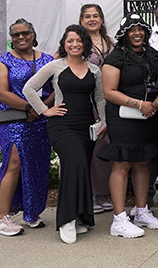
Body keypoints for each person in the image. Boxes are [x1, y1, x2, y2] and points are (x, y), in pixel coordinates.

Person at [23, 25, 105, 244]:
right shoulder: (55, 66)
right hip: (61, 126)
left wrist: (104, 122)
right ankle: (66, 220)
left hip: (86, 127)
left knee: (80, 167)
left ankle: (80, 217)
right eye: (70, 41)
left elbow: (100, 99)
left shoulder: (94, 70)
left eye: (79, 40)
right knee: (74, 162)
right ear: (64, 44)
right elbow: (29, 89)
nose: (75, 44)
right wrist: (45, 110)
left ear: (85, 43)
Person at [99, 14, 158, 238]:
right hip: (124, 116)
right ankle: (119, 219)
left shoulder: (152, 55)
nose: (137, 33)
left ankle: (141, 211)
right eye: (131, 30)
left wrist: (154, 104)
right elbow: (109, 92)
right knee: (123, 163)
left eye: (140, 29)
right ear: (124, 33)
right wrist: (139, 104)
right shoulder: (115, 58)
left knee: (144, 161)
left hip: (150, 114)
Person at [0, 19, 54, 236]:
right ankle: (2, 218)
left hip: (41, 120)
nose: (20, 37)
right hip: (14, 122)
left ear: (33, 35)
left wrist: (41, 108)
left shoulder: (47, 60)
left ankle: (31, 213)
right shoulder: (4, 61)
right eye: (15, 35)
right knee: (14, 164)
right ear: (11, 39)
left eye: (25, 33)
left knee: (37, 165)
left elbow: (56, 87)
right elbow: (1, 92)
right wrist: (30, 108)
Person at [78, 4, 114, 216]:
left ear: (101, 19)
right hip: (84, 101)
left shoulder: (110, 42)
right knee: (83, 147)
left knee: (103, 145)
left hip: (106, 102)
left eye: (96, 16)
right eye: (87, 16)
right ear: (81, 20)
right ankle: (86, 194)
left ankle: (102, 193)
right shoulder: (77, 41)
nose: (92, 19)